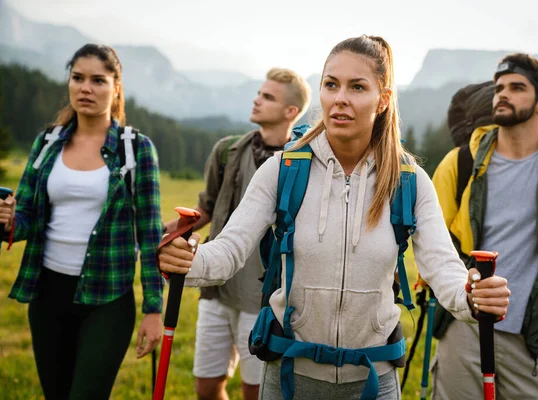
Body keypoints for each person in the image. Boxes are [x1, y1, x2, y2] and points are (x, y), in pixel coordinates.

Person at [158, 35, 510, 400]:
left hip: (374, 380)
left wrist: (472, 297)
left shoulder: (409, 181)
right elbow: (228, 252)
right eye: (331, 84)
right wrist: (188, 259)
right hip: (289, 378)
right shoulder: (283, 170)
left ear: (383, 99)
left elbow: (443, 270)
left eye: (357, 87)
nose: (340, 97)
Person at [430, 53, 538, 399]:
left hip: (534, 338)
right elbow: (431, 246)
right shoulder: (460, 162)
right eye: (499, 87)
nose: (502, 95)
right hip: (462, 333)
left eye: (517, 87)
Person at [0, 44, 164, 400]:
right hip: (47, 296)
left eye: (98, 80)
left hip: (107, 299)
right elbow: (25, 218)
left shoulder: (135, 149)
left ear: (116, 87)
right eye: (78, 78)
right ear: (69, 82)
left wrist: (154, 309)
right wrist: (9, 219)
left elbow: (150, 235)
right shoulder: (46, 143)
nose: (85, 88)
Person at [163, 67, 311, 400]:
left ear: (291, 112)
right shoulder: (228, 151)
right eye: (259, 93)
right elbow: (208, 206)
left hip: (263, 298)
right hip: (217, 290)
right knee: (206, 387)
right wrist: (159, 235)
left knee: (255, 391)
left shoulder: (303, 163)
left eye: (267, 97)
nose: (257, 100)